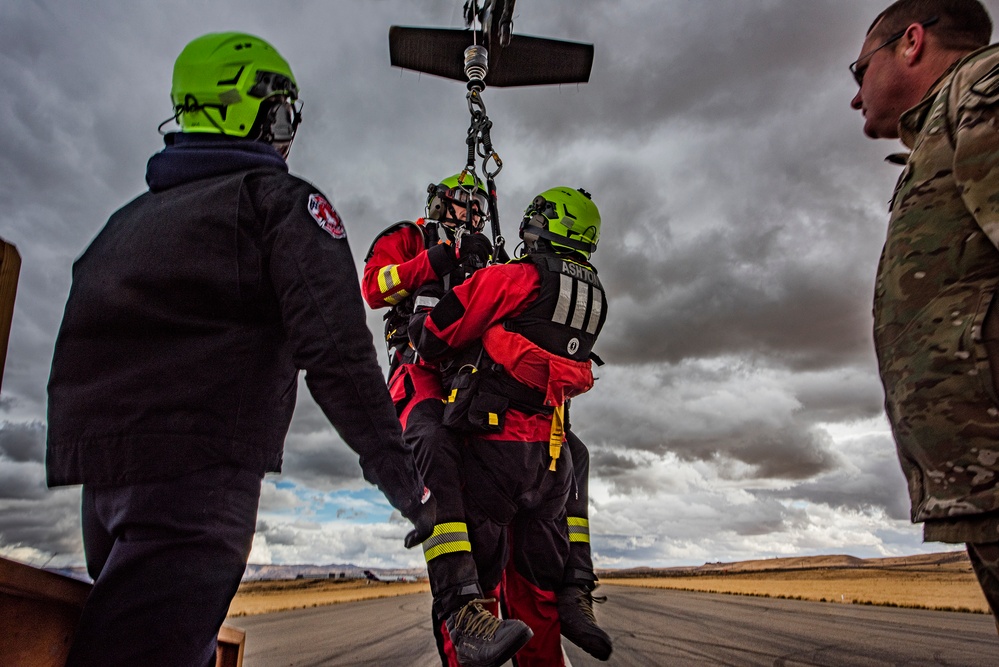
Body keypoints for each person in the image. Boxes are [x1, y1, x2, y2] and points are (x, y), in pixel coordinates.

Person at [45, 32, 434, 666]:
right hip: (198, 477)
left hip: (104, 485)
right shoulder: (278, 202)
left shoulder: (121, 226)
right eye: (284, 112)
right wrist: (404, 479)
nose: (288, 132)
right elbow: (336, 352)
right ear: (243, 109)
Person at [410, 186, 609, 666]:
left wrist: (445, 285)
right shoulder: (595, 298)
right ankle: (575, 589)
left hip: (493, 453)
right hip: (551, 461)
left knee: (482, 595)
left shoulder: (516, 278)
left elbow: (430, 338)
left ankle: (462, 607)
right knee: (539, 593)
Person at [848, 0, 999, 628]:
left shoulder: (982, 88)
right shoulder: (943, 126)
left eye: (858, 73)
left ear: (911, 42)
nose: (856, 99)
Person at [363, 174, 534, 667]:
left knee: (493, 479)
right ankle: (461, 608)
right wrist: (432, 262)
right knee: (433, 445)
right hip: (418, 371)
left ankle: (487, 607)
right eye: (465, 206)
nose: (473, 215)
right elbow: (374, 288)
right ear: (441, 204)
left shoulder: (482, 250)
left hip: (471, 377)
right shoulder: (410, 236)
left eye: (480, 209)